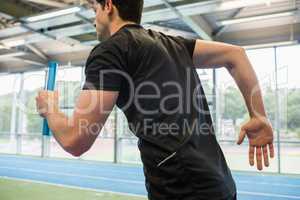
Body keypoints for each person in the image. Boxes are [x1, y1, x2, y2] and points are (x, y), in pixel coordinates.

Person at [36, 0, 275, 199]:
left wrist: (50, 109)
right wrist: (259, 115)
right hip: (220, 184)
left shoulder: (110, 51)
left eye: (94, 10)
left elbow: (76, 140)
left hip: (182, 189)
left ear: (108, 5)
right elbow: (236, 55)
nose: (94, 19)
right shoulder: (171, 43)